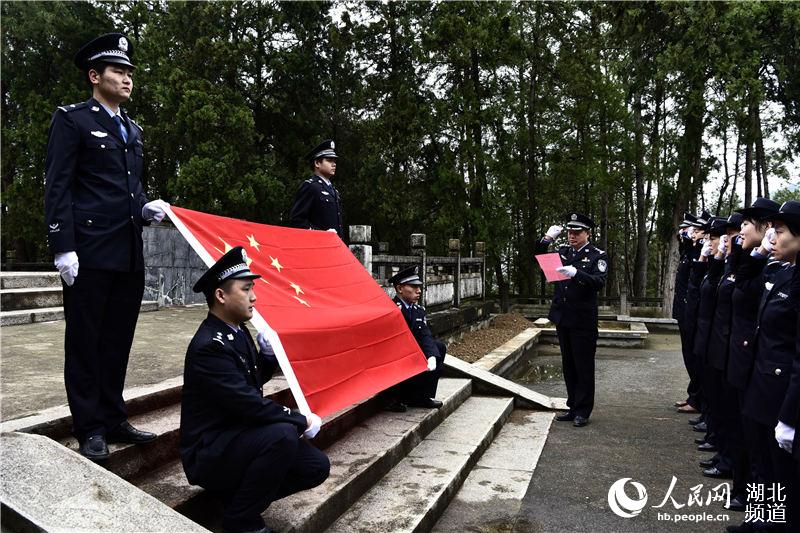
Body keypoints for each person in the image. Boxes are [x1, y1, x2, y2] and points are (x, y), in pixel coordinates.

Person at [44, 32, 169, 459]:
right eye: (118, 70)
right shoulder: (73, 120)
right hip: (89, 252)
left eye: (130, 71)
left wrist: (145, 207)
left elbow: (128, 187)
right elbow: (58, 186)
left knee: (117, 340)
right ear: (95, 76)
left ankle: (113, 417)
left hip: (129, 254)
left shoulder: (132, 129)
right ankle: (89, 426)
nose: (127, 78)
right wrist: (63, 246)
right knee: (86, 341)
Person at [179, 246, 329, 533]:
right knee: (283, 434)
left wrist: (268, 356)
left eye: (253, 289)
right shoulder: (210, 345)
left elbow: (250, 379)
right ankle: (241, 520)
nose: (254, 296)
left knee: (315, 466)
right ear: (221, 296)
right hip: (210, 449)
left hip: (238, 436)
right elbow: (247, 402)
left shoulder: (236, 330)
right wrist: (299, 419)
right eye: (246, 289)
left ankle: (237, 502)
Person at [535, 213, 608, 427]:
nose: (572, 236)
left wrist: (577, 273)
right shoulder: (564, 252)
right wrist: (547, 239)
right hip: (564, 316)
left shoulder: (597, 255)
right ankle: (572, 405)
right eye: (569, 232)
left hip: (583, 319)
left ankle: (583, 410)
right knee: (568, 364)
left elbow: (598, 282)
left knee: (583, 365)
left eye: (577, 232)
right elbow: (540, 258)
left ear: (588, 233)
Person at [383, 266, 445, 412]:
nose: (419, 291)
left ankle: (420, 396)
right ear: (399, 288)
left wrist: (431, 355)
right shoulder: (391, 309)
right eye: (414, 287)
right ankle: (391, 398)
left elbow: (425, 334)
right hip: (393, 354)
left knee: (438, 348)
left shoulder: (418, 310)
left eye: (419, 287)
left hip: (410, 351)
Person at [289, 139, 344, 239]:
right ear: (317, 163)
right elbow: (297, 220)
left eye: (334, 161)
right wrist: (321, 234)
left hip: (334, 247)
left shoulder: (334, 191)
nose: (334, 164)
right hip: (318, 246)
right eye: (329, 160)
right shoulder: (310, 186)